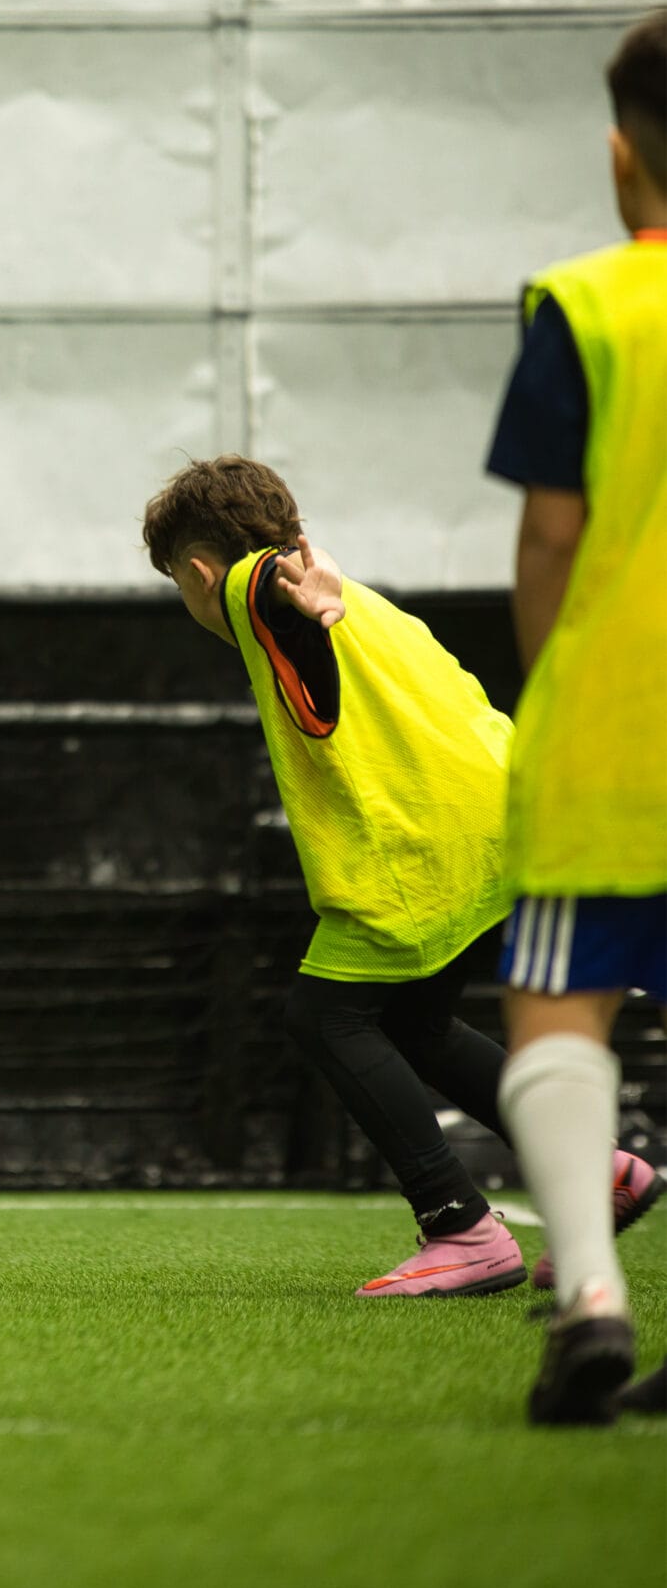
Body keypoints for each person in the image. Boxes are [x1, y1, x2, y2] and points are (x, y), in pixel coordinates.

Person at [141, 455, 653, 1299]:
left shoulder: (244, 586)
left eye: (179, 585)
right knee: (416, 1022)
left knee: (322, 1016)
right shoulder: (366, 602)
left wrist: (270, 578)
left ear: (195, 571)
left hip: (423, 847)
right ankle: (598, 1170)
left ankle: (459, 1225)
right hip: (510, 815)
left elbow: (259, 579)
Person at [489, 12, 667, 1425]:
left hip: (617, 727)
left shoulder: (583, 305)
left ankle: (589, 1297)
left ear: (621, 160)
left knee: (559, 1004)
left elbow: (551, 536)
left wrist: (552, 677)